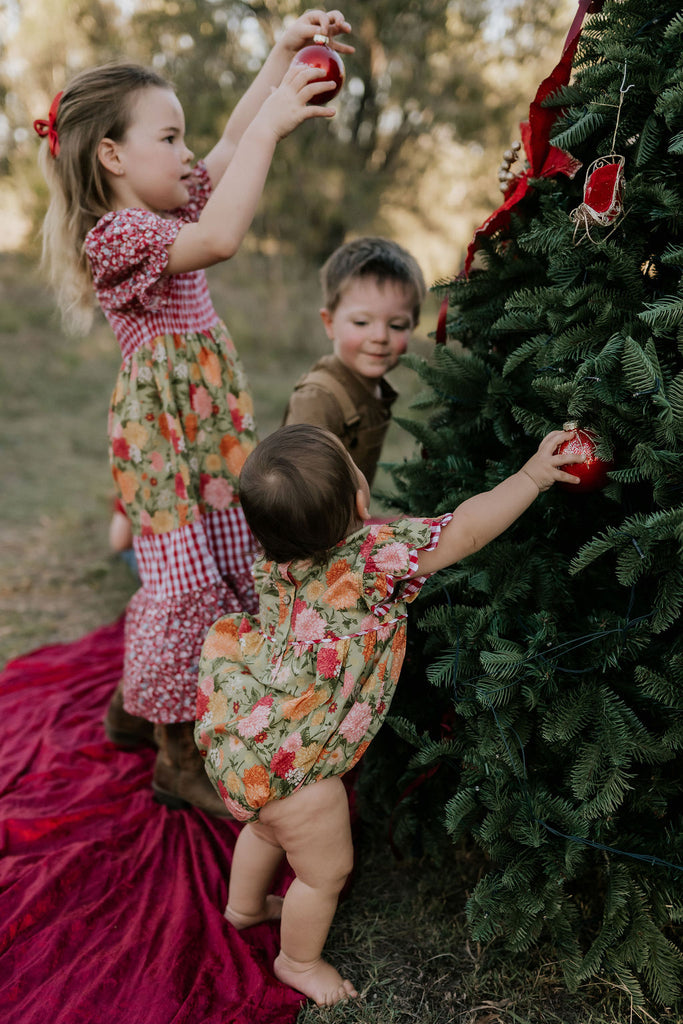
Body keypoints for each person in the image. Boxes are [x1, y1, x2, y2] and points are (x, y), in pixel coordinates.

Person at [33, 10, 353, 816]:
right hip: (164, 438)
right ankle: (176, 758)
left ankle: (133, 709)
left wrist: (280, 56)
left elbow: (230, 145)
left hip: (208, 424)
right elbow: (219, 239)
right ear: (112, 156)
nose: (187, 153)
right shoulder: (116, 236)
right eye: (169, 138)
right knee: (184, 582)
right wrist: (275, 126)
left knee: (224, 555)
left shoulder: (166, 207)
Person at [195, 422, 584, 1005]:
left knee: (263, 825)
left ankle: (244, 908)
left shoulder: (276, 558)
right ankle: (298, 961)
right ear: (360, 499)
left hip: (245, 736)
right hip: (298, 771)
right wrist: (530, 476)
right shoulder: (373, 559)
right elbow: (466, 530)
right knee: (324, 872)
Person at [282, 236, 426, 488]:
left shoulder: (377, 389)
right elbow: (296, 490)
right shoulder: (317, 400)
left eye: (396, 325)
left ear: (413, 327)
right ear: (329, 323)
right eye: (361, 322)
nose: (380, 337)